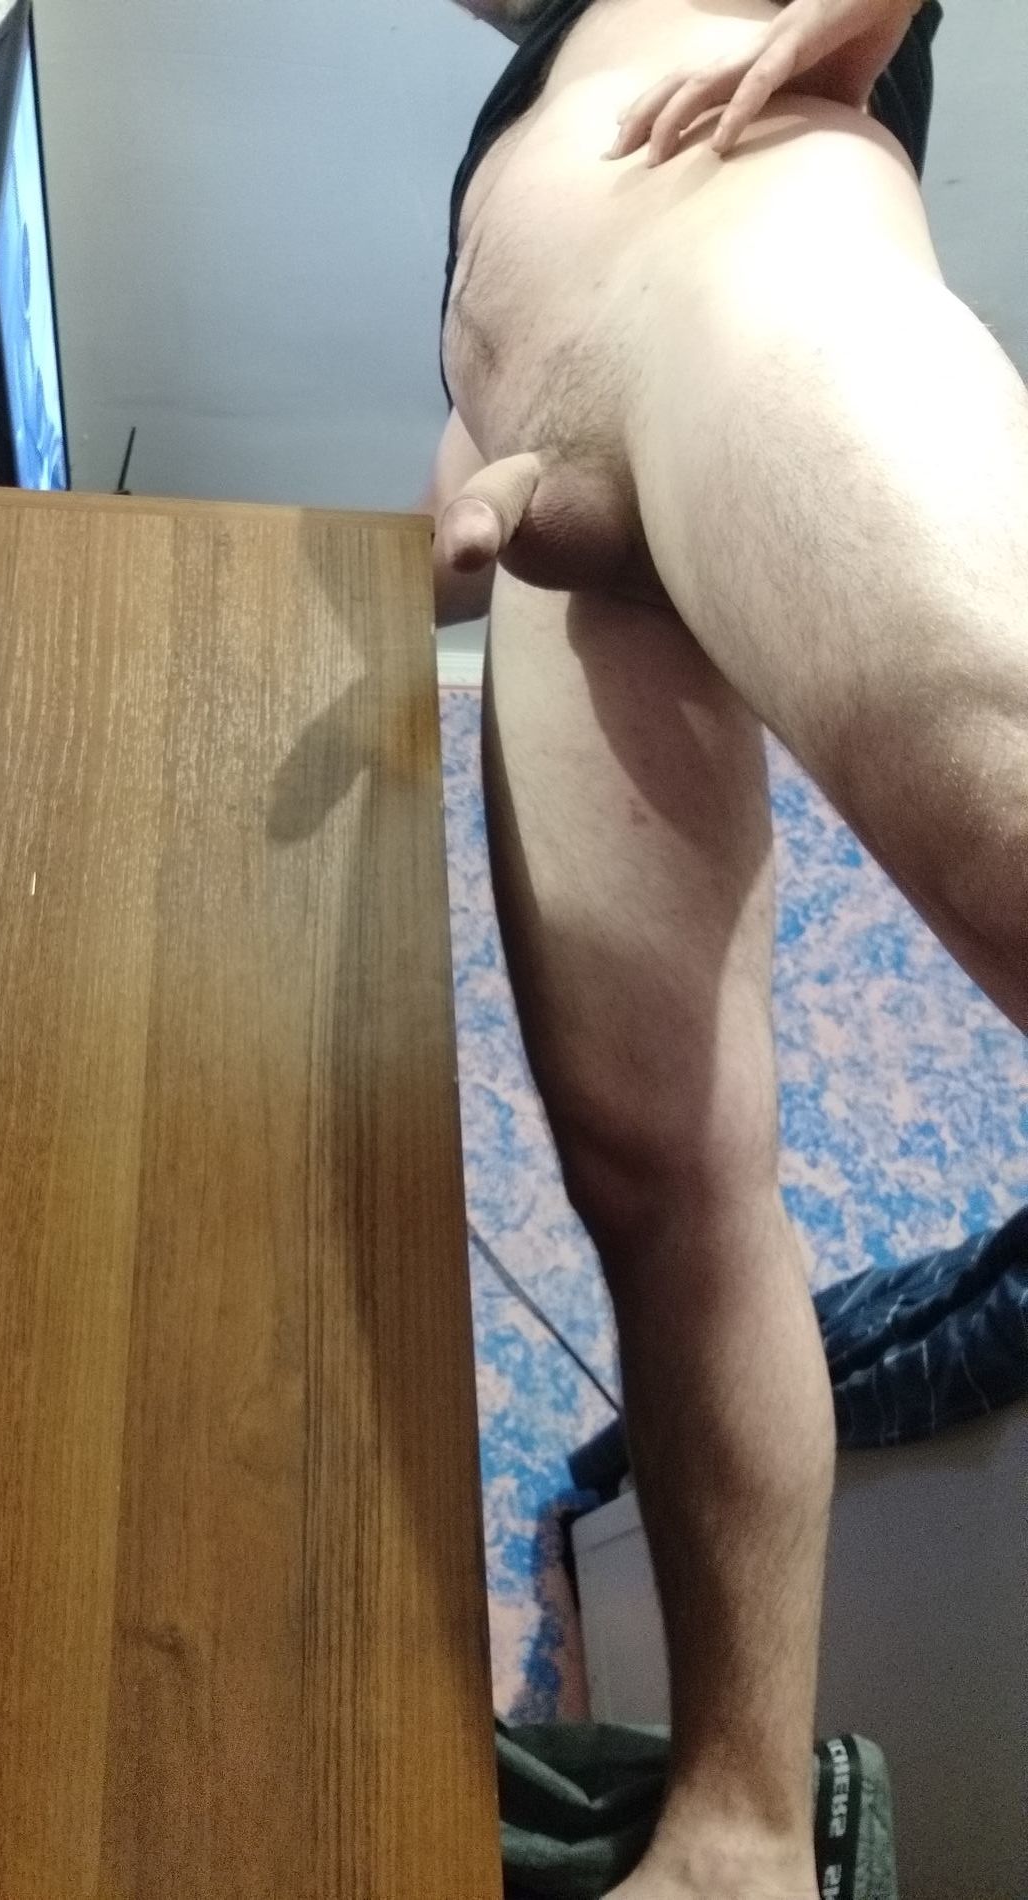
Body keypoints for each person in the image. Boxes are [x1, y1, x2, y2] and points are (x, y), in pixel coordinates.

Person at [422, 0, 1028, 1894]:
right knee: (660, 1169)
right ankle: (739, 1830)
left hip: (742, 275)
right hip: (556, 509)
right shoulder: (546, 44)